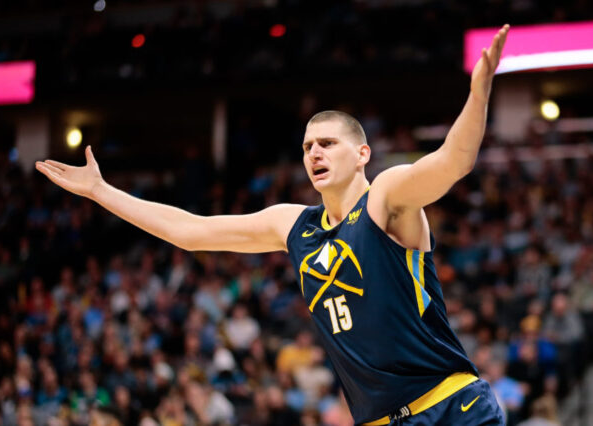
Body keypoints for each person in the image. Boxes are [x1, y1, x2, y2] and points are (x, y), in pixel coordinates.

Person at [36, 24, 510, 426]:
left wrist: (478, 94)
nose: (314, 154)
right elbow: (189, 231)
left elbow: (452, 162)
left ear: (362, 153)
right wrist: (101, 192)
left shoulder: (385, 197)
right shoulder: (293, 225)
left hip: (451, 406)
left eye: (327, 143)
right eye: (307, 147)